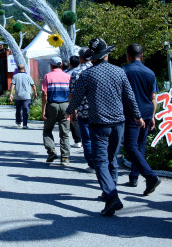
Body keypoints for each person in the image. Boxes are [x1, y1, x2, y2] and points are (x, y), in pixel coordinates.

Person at [66, 38, 143, 217]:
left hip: (99, 123)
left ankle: (111, 196)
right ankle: (110, 190)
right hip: (118, 122)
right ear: (106, 55)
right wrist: (138, 116)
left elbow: (76, 98)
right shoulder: (119, 71)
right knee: (112, 159)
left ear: (92, 57)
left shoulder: (87, 75)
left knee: (100, 161)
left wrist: (69, 112)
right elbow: (130, 97)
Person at [122, 44, 161, 194]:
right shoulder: (150, 73)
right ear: (142, 55)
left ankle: (150, 176)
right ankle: (134, 177)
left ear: (128, 55)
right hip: (146, 111)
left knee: (130, 146)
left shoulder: (124, 70)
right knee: (140, 146)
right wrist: (152, 117)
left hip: (132, 113)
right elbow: (153, 97)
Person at [41, 56, 72, 166]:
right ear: (61, 65)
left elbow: (44, 94)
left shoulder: (47, 76)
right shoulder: (68, 76)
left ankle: (51, 151)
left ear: (51, 65)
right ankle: (65, 158)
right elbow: (71, 94)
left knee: (47, 129)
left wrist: (43, 109)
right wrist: (72, 109)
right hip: (65, 105)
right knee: (64, 133)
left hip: (52, 105)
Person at [68, 47, 94, 170]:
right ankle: (101, 162)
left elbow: (72, 94)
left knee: (87, 139)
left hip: (83, 110)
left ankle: (92, 164)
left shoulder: (76, 73)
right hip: (98, 110)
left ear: (80, 58)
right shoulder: (97, 70)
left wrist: (72, 110)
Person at [10, 64, 37, 129]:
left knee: (18, 109)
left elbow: (12, 85)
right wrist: (35, 93)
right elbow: (33, 85)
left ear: (18, 69)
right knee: (25, 109)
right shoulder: (28, 76)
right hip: (26, 96)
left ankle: (18, 121)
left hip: (18, 96)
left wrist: (11, 94)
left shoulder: (15, 76)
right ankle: (25, 124)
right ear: (24, 69)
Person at [66, 55, 83, 148]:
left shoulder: (69, 73)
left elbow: (70, 91)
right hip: (85, 100)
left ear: (70, 63)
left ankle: (78, 140)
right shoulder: (83, 71)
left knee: (74, 120)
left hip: (73, 99)